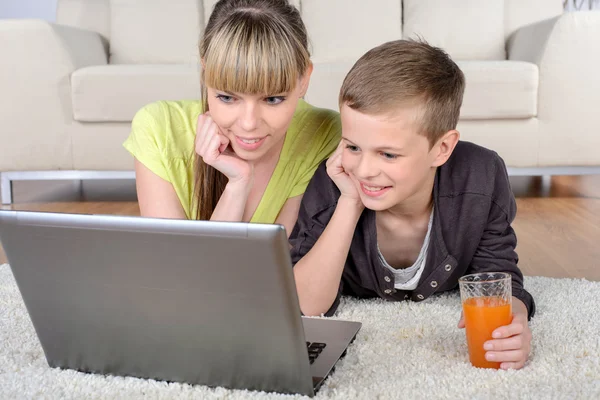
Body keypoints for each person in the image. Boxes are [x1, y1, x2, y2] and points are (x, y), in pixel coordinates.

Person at [290, 39, 535, 370]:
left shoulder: (481, 176)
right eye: (352, 146)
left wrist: (515, 321)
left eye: (388, 154)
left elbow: (499, 274)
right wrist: (350, 202)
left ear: (442, 149)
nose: (363, 170)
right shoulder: (335, 180)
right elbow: (306, 305)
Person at [123, 0, 340, 236]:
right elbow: (175, 268)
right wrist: (238, 184)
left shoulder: (322, 132)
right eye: (227, 97)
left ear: (304, 79)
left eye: (273, 99)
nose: (248, 124)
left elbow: (279, 266)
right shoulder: (159, 129)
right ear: (206, 72)